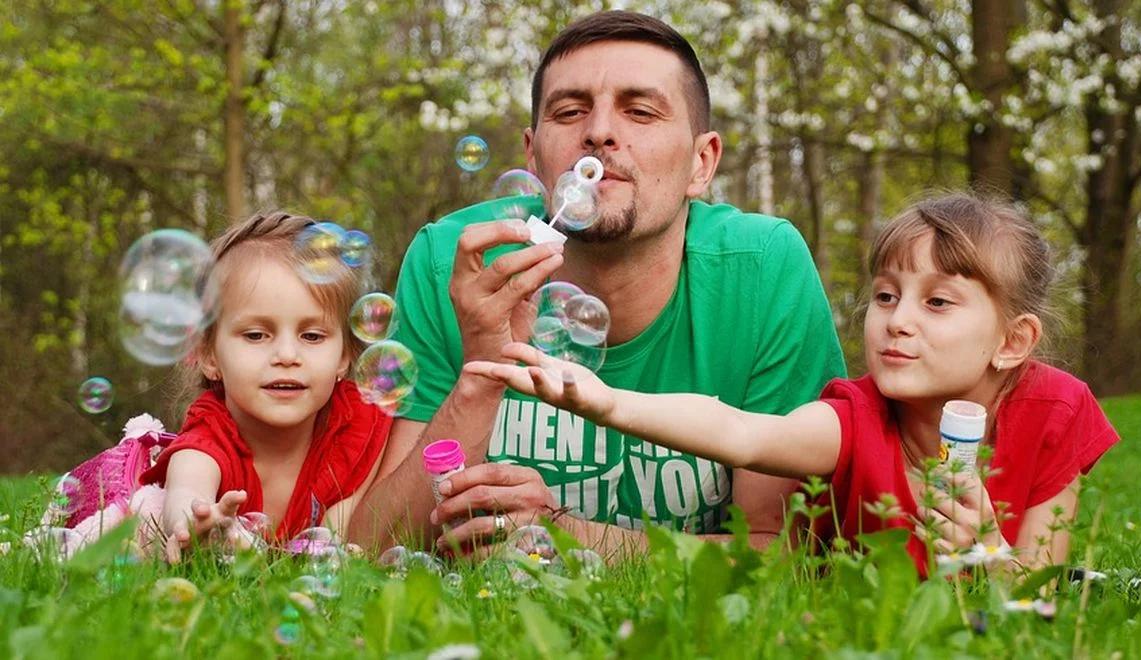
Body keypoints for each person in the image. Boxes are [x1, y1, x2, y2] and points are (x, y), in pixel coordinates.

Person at [348, 11, 845, 553]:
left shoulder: (762, 269)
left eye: (640, 111)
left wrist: (568, 537)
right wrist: (482, 375)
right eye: (569, 111)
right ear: (533, 156)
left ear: (702, 164)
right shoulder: (458, 261)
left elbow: (786, 555)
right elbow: (375, 547)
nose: (599, 131)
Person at [466, 193, 1120, 573]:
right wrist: (607, 401)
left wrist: (988, 556)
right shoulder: (856, 419)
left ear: (1013, 342)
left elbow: (1040, 592)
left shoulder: (1057, 411)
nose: (897, 322)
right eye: (887, 296)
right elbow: (742, 433)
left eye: (938, 303)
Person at [135, 211, 391, 561]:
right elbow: (187, 489)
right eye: (256, 335)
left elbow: (338, 533)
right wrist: (195, 525)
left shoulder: (356, 424)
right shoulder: (212, 432)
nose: (287, 355)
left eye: (312, 335)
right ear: (209, 354)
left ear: (345, 355)